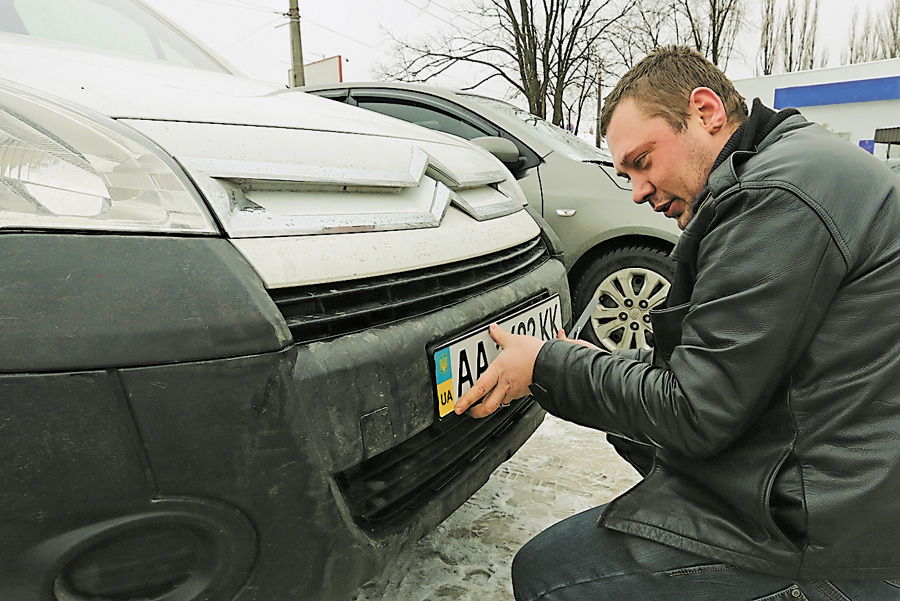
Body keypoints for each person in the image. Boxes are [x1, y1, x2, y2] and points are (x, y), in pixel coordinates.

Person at [454, 46, 900, 600]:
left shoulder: (775, 197)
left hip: (825, 530)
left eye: (642, 161)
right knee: (635, 438)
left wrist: (548, 365)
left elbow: (695, 412)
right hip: (843, 480)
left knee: (549, 574)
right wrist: (592, 362)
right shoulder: (796, 166)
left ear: (707, 112)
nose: (638, 191)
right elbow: (720, 363)